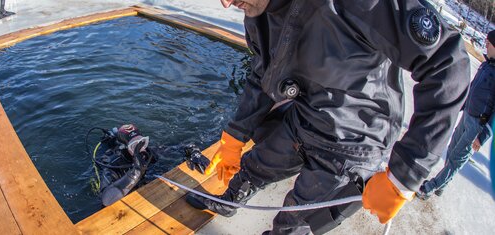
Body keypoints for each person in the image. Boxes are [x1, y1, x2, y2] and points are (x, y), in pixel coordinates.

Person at [184, 0, 469, 234]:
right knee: (258, 164)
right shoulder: (256, 12)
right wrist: (236, 134)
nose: (225, 3)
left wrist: (404, 175)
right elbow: (263, 73)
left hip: (355, 140)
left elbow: (447, 62)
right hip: (304, 119)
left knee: (294, 224)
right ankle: (231, 199)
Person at [416, 30, 495, 200]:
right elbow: (474, 88)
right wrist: (461, 104)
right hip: (468, 114)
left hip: (478, 124)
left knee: (457, 158)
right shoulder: (486, 65)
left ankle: (431, 187)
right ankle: (441, 184)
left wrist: (483, 136)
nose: (486, 44)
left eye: (490, 42)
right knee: (452, 150)